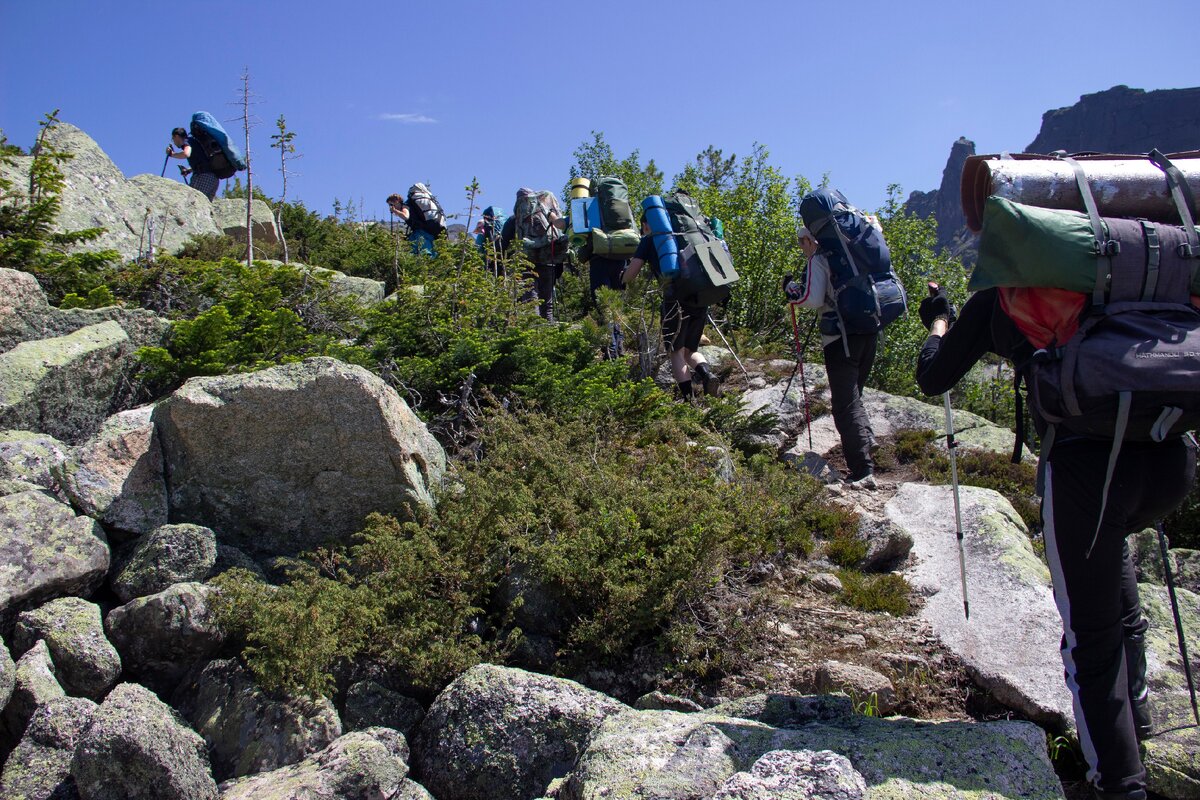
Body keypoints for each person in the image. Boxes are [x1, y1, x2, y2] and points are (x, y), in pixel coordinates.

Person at [914, 286, 1197, 800]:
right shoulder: (1135, 281)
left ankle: (1119, 784)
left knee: (1090, 640)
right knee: (1113, 580)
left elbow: (934, 377)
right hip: (1171, 455)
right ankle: (1139, 724)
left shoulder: (1005, 299)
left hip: (1087, 470)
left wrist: (938, 324)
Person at [785, 224, 881, 489]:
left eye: (801, 242)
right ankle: (866, 438)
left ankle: (862, 470)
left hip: (840, 339)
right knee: (854, 395)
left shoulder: (819, 258)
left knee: (843, 405)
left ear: (808, 239)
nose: (801, 248)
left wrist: (791, 292)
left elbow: (812, 298)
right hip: (869, 331)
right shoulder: (851, 254)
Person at [621, 215, 720, 398]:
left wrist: (623, 278)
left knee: (675, 352)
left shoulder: (650, 239)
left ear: (645, 225)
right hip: (700, 297)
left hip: (674, 301)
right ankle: (707, 375)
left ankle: (689, 401)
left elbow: (632, 272)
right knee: (691, 350)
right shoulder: (685, 234)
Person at [166, 126, 218, 201]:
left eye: (173, 139)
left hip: (203, 177)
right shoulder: (194, 142)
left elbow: (186, 154)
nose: (173, 141)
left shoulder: (186, 142)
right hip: (213, 179)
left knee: (192, 202)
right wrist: (188, 170)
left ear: (176, 136)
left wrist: (172, 154)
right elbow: (202, 161)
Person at [386, 192, 439, 257]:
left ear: (397, 201)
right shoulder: (409, 205)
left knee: (425, 253)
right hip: (427, 232)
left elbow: (406, 216)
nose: (391, 207)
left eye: (391, 204)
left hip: (421, 233)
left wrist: (395, 211)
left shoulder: (405, 206)